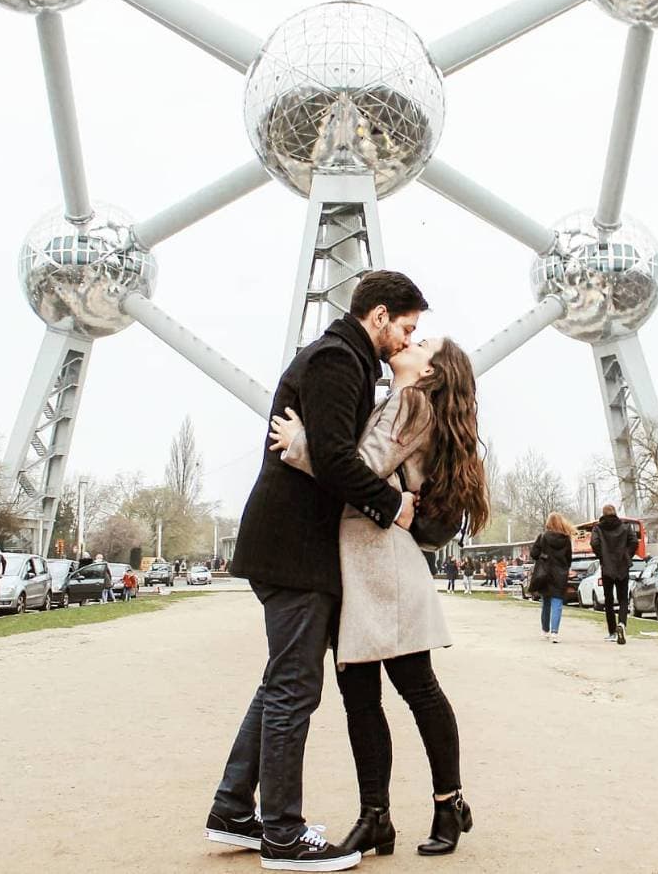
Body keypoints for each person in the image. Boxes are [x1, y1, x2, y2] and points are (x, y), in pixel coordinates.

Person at [206, 271, 426, 872]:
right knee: (294, 691)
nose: (408, 342)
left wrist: (313, 447)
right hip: (296, 549)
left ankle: (232, 809)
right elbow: (336, 460)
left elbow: (326, 452)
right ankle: (282, 834)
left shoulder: (344, 359)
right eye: (406, 328)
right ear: (378, 316)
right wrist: (393, 505)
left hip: (290, 546)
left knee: (280, 683)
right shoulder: (338, 359)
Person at [272, 336, 489, 858]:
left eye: (421, 343)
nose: (408, 342)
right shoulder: (395, 401)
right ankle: (377, 818)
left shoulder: (412, 402)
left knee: (412, 688)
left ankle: (443, 803)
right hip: (363, 560)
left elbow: (361, 469)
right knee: (366, 699)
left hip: (383, 565)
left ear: (432, 369)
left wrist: (302, 443)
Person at [591, 504, 638, 644]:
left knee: (609, 600)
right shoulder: (625, 527)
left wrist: (602, 556)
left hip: (607, 568)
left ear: (603, 514)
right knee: (623, 599)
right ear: (615, 513)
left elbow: (594, 543)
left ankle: (612, 631)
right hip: (622, 566)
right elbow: (634, 541)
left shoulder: (598, 528)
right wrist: (627, 555)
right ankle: (622, 623)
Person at [530, 514, 575, 643]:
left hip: (545, 573)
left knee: (546, 602)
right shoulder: (566, 539)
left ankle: (545, 630)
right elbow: (569, 558)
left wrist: (543, 555)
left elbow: (534, 554)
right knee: (557, 603)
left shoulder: (543, 537)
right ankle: (555, 633)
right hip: (560, 574)